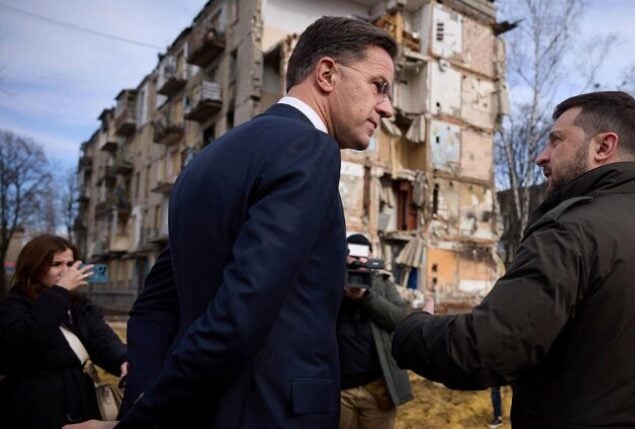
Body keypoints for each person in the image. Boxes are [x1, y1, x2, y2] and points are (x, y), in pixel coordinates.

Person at [65, 16, 397, 429]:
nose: (387, 107)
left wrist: (141, 407)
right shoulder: (309, 148)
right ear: (327, 74)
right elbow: (240, 313)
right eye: (379, 86)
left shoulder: (206, 160)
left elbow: (155, 308)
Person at [391, 91, 635, 427]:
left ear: (602, 147)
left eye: (556, 141)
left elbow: (486, 349)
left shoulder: (571, 230)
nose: (542, 156)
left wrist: (411, 328)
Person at [0, 234, 127, 428]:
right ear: (34, 268)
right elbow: (21, 341)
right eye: (56, 264)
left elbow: (101, 339)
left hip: (80, 407)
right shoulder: (14, 305)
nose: (66, 271)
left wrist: (123, 360)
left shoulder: (79, 305)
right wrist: (60, 292)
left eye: (70, 264)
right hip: (32, 411)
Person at [338, 233, 412, 429]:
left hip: (376, 388)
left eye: (363, 255)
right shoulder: (332, 281)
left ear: (370, 257)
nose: (357, 260)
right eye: (352, 254)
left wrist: (366, 297)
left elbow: (401, 320)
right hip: (340, 390)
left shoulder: (383, 283)